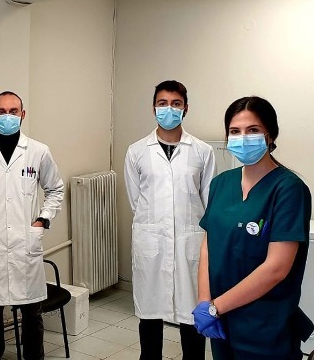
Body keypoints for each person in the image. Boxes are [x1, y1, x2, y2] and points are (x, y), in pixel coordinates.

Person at [194, 96, 313, 359]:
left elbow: (276, 268)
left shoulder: (289, 189)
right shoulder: (221, 183)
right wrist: (204, 303)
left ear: (270, 135)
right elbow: (208, 247)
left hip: (265, 325)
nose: (243, 138)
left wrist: (215, 307)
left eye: (253, 130)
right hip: (221, 322)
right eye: (235, 131)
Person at [0, 91, 64, 360]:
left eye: (13, 111)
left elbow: (55, 189)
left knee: (32, 312)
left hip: (25, 244)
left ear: (22, 114)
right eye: (2, 111)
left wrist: (42, 219)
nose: (7, 116)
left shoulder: (38, 151)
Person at [124, 80, 215, 360]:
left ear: (186, 108)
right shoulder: (137, 151)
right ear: (153, 108)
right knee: (150, 316)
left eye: (176, 104)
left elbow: (208, 201)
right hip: (152, 243)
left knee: (192, 316)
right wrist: (158, 225)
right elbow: (136, 201)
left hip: (190, 244)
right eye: (162, 103)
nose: (169, 109)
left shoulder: (202, 151)